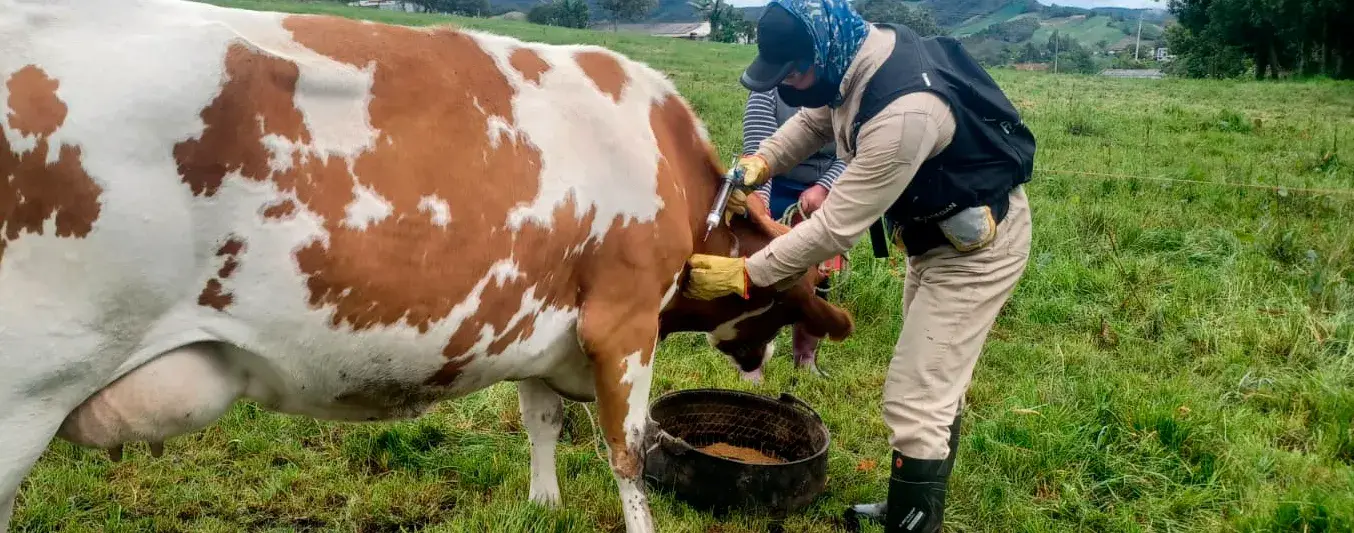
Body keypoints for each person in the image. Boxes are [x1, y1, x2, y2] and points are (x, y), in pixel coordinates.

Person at [681, 0, 1037, 530]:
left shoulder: (906, 115)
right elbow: (815, 121)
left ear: (821, 54)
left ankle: (913, 522)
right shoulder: (856, 61)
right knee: (936, 381)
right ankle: (912, 504)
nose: (790, 84)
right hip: (935, 239)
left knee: (916, 396)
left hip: (975, 255)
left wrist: (747, 274)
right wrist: (764, 162)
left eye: (795, 72)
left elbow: (833, 230)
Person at [740, 87, 850, 380]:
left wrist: (825, 187)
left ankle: (805, 355)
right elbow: (759, 152)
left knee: (818, 276)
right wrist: (761, 210)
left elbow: (853, 149)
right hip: (774, 184)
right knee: (762, 275)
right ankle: (753, 358)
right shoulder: (766, 90)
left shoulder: (841, 89)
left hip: (826, 189)